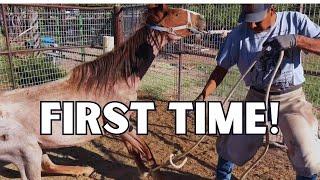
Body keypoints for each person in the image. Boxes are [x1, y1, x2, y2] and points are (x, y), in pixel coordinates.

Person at [196, 4, 320, 180]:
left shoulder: (294, 21)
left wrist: (296, 40)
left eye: (256, 21)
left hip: (290, 98)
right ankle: (222, 177)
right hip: (257, 97)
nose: (251, 26)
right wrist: (204, 94)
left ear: (272, 9)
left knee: (307, 155)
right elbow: (221, 69)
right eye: (248, 21)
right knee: (231, 144)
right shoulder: (238, 35)